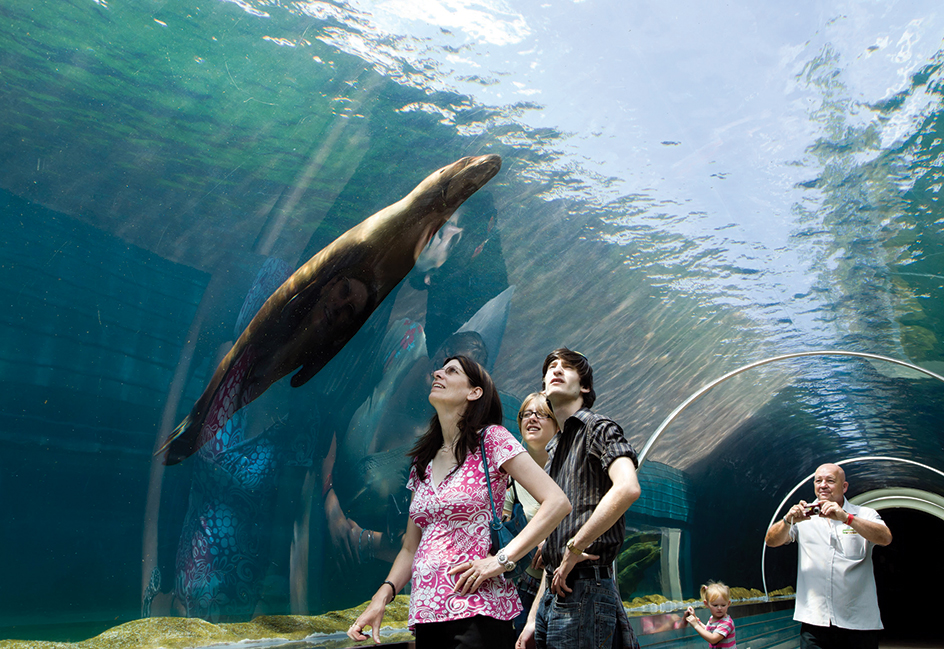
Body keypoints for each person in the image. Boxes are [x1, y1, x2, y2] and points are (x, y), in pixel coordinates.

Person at [347, 355, 571, 647]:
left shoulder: (492, 439)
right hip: (426, 614)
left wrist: (501, 561)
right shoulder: (422, 459)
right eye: (440, 369)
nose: (438, 373)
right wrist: (382, 597)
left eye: (451, 371)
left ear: (474, 392)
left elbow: (557, 502)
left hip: (478, 611)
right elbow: (410, 547)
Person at [517, 348, 642, 649]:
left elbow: (627, 488)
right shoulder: (553, 452)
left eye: (568, 367)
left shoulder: (598, 428)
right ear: (544, 386)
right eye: (552, 367)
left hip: (585, 586)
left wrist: (575, 545)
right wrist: (535, 617)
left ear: (584, 387)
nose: (557, 370)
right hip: (553, 594)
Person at [764, 463, 892, 649]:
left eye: (830, 481)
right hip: (816, 620)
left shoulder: (864, 513)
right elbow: (771, 541)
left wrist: (847, 518)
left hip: (858, 620)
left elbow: (885, 538)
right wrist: (787, 520)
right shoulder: (804, 516)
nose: (823, 485)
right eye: (818, 481)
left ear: (844, 486)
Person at [503, 393, 561, 635]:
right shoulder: (510, 478)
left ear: (558, 424)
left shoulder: (567, 471)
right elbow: (503, 529)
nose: (532, 419)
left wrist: (552, 542)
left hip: (560, 585)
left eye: (541, 414)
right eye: (526, 414)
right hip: (522, 586)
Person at [684, 582, 736, 649]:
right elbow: (707, 631)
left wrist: (696, 625)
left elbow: (713, 639)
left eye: (723, 605)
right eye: (715, 605)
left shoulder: (727, 623)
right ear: (706, 604)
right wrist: (696, 619)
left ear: (728, 604)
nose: (719, 608)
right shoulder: (712, 618)